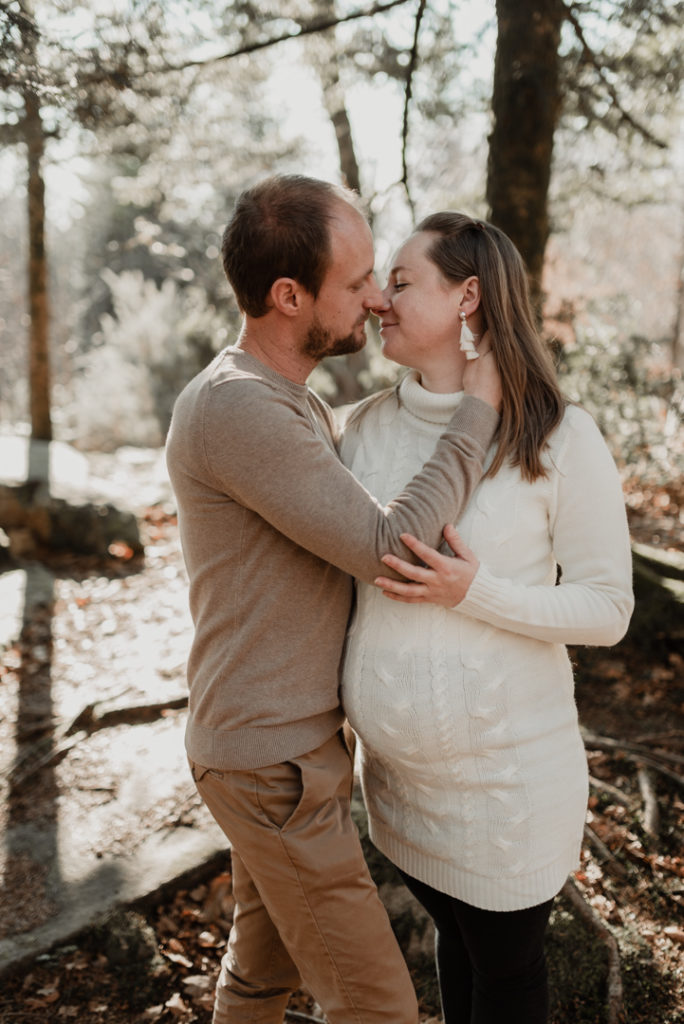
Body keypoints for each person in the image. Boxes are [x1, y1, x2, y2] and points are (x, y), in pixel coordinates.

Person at [165, 176, 503, 1024]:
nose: (376, 300)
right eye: (355, 283)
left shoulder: (284, 398)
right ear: (289, 296)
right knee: (377, 1006)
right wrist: (478, 411)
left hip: (284, 750)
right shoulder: (236, 407)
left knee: (260, 976)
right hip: (270, 763)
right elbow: (392, 549)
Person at [339, 212, 634, 1024]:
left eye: (400, 283)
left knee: (506, 974)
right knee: (454, 946)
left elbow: (608, 610)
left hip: (508, 791)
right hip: (398, 789)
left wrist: (476, 592)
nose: (377, 301)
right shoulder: (361, 431)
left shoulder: (559, 438)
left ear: (468, 296)